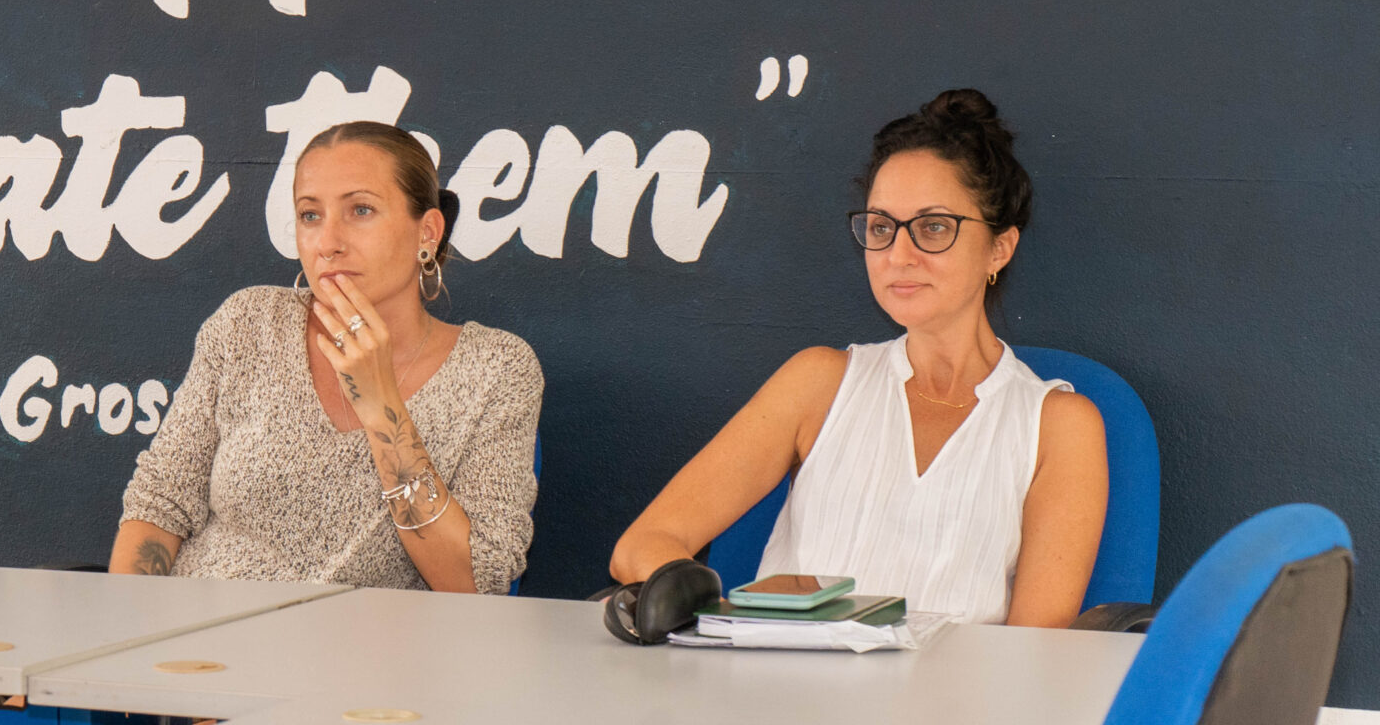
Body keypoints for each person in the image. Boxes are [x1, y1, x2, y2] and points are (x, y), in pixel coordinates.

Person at [608, 89, 1107, 625]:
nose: (898, 254)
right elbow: (642, 546)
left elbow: (1037, 651)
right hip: (778, 676)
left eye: (934, 227)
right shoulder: (817, 383)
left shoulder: (1059, 427)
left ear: (999, 249)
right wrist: (737, 620)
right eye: (881, 227)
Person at [112, 121, 542, 593]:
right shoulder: (247, 323)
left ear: (428, 232)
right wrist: (134, 623)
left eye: (361, 210)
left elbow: (476, 583)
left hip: (368, 642)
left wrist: (381, 404)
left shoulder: (497, 368)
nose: (328, 242)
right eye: (310, 215)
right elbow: (160, 506)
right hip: (197, 630)